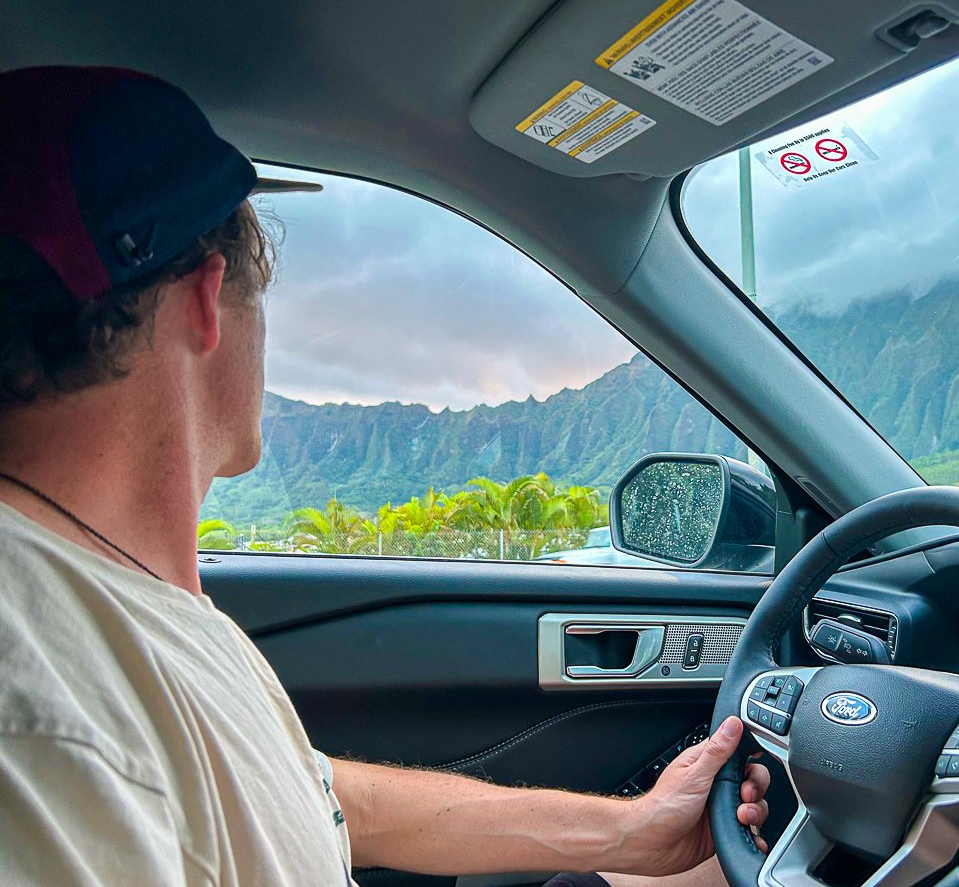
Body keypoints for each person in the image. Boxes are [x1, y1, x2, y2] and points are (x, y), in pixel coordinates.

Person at [0, 66, 770, 886]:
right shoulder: (42, 721)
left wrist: (631, 834)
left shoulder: (111, 595)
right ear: (205, 299)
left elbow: (320, 798)